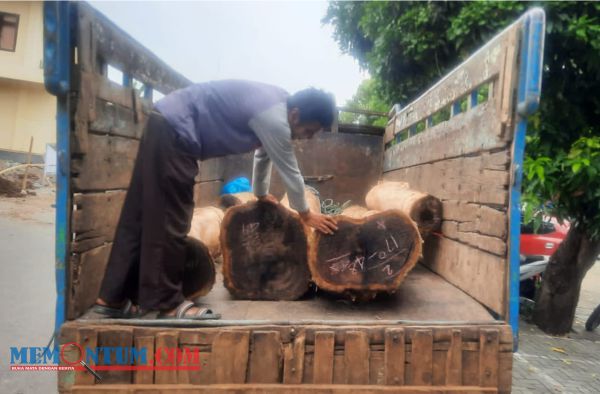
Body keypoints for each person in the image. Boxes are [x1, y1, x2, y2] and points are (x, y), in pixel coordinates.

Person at [93, 80, 339, 319]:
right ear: (296, 115)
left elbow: (263, 156)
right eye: (309, 131)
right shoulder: (276, 119)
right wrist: (306, 214)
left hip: (165, 123)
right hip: (177, 132)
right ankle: (167, 304)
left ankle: (112, 297)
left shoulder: (276, 107)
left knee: (138, 214)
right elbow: (290, 169)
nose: (307, 138)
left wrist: (261, 194)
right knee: (171, 219)